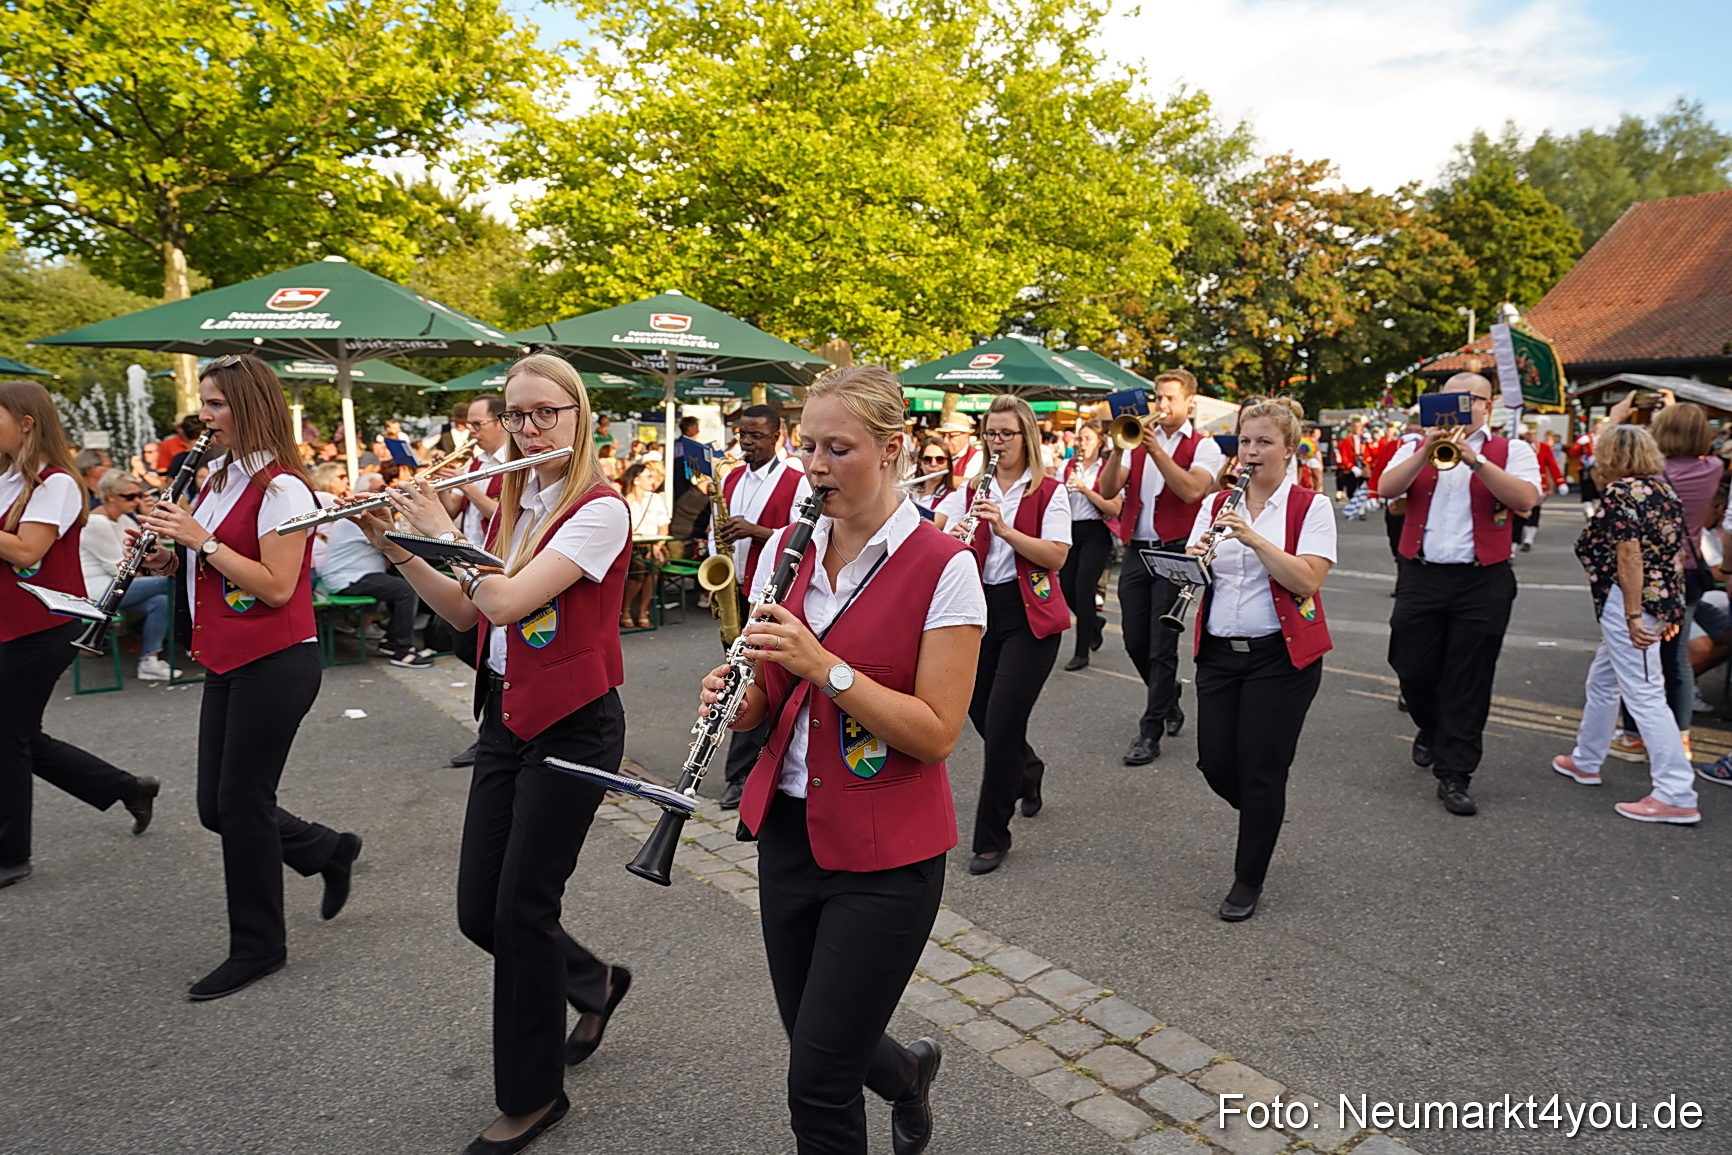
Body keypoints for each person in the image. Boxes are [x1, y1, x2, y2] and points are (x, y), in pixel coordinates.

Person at [702, 364, 985, 1155]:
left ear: (892, 449)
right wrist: (739, 696)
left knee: (817, 1080)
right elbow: (769, 696)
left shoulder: (945, 566)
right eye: (807, 446)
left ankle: (895, 1081)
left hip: (887, 854)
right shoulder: (786, 554)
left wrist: (824, 662)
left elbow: (935, 733)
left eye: (838, 448)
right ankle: (906, 1075)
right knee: (818, 1034)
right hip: (790, 831)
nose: (815, 466)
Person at [355, 352, 632, 1155]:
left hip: (576, 725)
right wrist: (401, 547)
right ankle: (593, 980)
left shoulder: (598, 509)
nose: (531, 428)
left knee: (520, 909)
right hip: (507, 721)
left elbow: (506, 597)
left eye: (548, 412)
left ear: (580, 418)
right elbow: (469, 616)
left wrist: (443, 527)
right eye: (518, 414)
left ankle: (534, 1095)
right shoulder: (516, 507)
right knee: (483, 910)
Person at [137, 355, 362, 998]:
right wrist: (170, 548)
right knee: (218, 807)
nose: (202, 418)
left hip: (276, 660)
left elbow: (276, 584)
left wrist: (201, 540)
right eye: (203, 404)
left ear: (250, 406)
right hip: (228, 655)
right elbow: (211, 562)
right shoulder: (217, 477)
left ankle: (259, 947)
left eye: (215, 405)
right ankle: (324, 850)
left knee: (240, 804)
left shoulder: (285, 488)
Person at [0, 380, 161, 890]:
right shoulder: (7, 476)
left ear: (26, 423)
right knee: (19, 735)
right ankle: (127, 787)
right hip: (11, 622)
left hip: (40, 625)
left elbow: (27, 552)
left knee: (8, 738)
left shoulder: (56, 483)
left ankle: (11, 855)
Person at [1184, 402, 1335, 920]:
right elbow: (1194, 576)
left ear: (1289, 451)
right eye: (1245, 442)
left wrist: (1251, 536)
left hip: (1281, 656)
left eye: (1263, 443)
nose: (1250, 452)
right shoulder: (1214, 505)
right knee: (1215, 761)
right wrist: (1195, 559)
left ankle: (1248, 878)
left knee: (1263, 769)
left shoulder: (1310, 507)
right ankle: (1263, 819)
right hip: (1221, 654)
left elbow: (1306, 579)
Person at [1376, 373, 1540, 816]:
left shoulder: (1513, 450)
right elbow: (1386, 490)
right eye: (1449, 402)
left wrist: (1477, 462)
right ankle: (1432, 728)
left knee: (1469, 679)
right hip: (1422, 574)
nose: (1459, 410)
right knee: (1411, 668)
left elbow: (1526, 500)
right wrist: (1426, 450)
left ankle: (1455, 773)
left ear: (1488, 406)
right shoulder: (1414, 446)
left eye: (1469, 402)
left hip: (1482, 579)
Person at [937, 395, 1071, 873]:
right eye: (991, 434)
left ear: (1026, 437)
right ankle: (1028, 771)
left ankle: (991, 836)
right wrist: (949, 537)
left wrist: (1006, 529)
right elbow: (937, 532)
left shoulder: (1049, 491)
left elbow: (1055, 557)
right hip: (978, 611)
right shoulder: (971, 485)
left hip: (1029, 616)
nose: (997, 443)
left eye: (1006, 434)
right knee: (981, 714)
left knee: (1002, 723)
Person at [1551, 424, 1700, 825]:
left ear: (1611, 455)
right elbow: (1672, 555)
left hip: (1628, 602)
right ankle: (1585, 759)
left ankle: (1676, 792)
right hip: (1649, 601)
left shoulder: (1621, 493)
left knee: (1645, 694)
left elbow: (1630, 556)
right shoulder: (1663, 489)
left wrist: (1635, 614)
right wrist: (1670, 608)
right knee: (1605, 681)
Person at [1097, 368, 1225, 764]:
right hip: (1137, 549)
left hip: (1176, 552)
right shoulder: (1136, 441)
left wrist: (1155, 450)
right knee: (1135, 640)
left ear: (1190, 403)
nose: (1162, 405)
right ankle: (1168, 697)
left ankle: (1149, 732)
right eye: (1158, 397)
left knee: (1161, 645)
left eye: (1170, 398)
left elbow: (1192, 490)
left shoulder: (1204, 447)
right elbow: (1106, 491)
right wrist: (1120, 448)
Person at [1604, 396, 1723, 764]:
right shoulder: (1715, 467)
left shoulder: (1651, 477)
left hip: (1647, 571)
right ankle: (1680, 737)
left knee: (1636, 654)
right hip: (1689, 570)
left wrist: (1613, 422)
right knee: (1677, 660)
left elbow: (1609, 469)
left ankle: (1636, 736)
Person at [712, 403, 812, 809]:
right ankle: (747, 771)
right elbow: (716, 533)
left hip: (772, 595)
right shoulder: (731, 477)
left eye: (755, 436)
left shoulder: (797, 480)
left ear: (776, 436)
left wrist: (757, 532)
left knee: (752, 682)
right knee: (737, 681)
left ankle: (741, 776)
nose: (746, 443)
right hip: (733, 589)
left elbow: (803, 538)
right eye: (742, 435)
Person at [82, 469, 177, 680]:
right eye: (129, 496)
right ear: (110, 497)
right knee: (172, 582)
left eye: (138, 495)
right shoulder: (96, 523)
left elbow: (152, 553)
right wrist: (150, 576)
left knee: (161, 601)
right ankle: (192, 639)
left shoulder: (123, 519)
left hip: (119, 587)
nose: (135, 501)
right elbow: (118, 569)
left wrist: (150, 518)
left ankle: (149, 661)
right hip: (99, 591)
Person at [318, 511, 433, 669]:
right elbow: (395, 545)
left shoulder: (355, 518)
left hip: (351, 574)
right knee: (406, 590)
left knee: (401, 586)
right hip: (347, 578)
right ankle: (402, 651)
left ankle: (392, 641)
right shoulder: (356, 520)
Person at [1058, 420, 1121, 671]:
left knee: (1084, 588)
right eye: (1079, 439)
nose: (1082, 444)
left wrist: (1084, 489)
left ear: (1099, 442)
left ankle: (1081, 652)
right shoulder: (1065, 466)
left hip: (1096, 532)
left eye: (1087, 439)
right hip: (1069, 531)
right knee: (1065, 587)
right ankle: (1094, 623)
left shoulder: (1107, 469)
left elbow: (1114, 508)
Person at [619, 461, 671, 629]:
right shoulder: (622, 498)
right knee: (640, 565)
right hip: (631, 546)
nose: (653, 480)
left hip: (654, 544)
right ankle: (626, 610)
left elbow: (664, 526)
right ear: (636, 480)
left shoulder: (655, 499)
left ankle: (642, 610)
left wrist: (656, 546)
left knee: (653, 565)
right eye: (648, 477)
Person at [1513, 425, 1567, 552]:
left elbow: (1552, 465)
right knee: (1518, 513)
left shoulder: (1543, 447)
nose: (1531, 437)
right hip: (1520, 483)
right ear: (1523, 435)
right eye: (1528, 434)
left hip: (1538, 485)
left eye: (1534, 434)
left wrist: (1560, 482)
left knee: (1535, 511)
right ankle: (1514, 543)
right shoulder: (1516, 446)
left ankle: (1528, 540)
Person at [911, 436, 956, 528]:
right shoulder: (910, 490)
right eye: (927, 459)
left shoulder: (951, 496)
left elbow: (934, 525)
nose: (933, 464)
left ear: (948, 464)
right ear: (920, 463)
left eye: (940, 459)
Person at [672, 414, 710, 500]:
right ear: (689, 429)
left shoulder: (678, 445)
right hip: (683, 490)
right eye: (696, 427)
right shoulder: (683, 447)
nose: (699, 431)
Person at [936, 413, 980, 483]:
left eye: (951, 436)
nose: (945, 440)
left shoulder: (977, 457)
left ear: (966, 436)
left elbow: (971, 484)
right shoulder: (938, 454)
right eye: (944, 435)